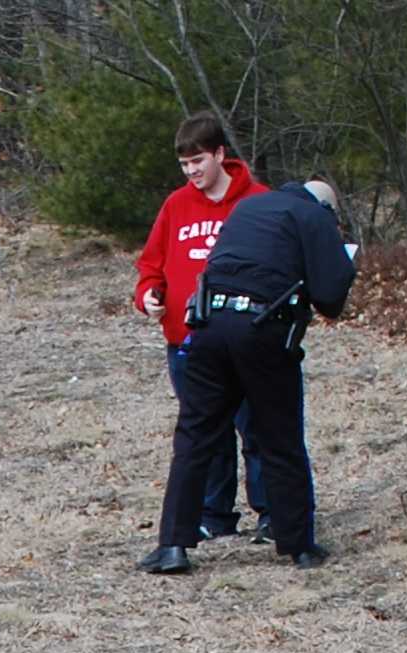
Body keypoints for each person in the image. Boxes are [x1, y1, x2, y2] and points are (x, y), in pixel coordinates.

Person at [142, 177, 355, 573]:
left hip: (206, 325)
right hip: (261, 328)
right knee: (279, 434)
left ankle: (172, 545)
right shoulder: (313, 217)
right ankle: (299, 545)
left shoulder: (250, 208)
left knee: (195, 434)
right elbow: (331, 298)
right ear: (326, 209)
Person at [131, 113, 270, 540]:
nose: (192, 172)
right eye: (185, 165)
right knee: (205, 435)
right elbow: (151, 264)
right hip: (188, 343)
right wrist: (149, 295)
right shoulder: (175, 206)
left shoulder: (258, 202)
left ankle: (271, 512)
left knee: (259, 429)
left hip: (245, 341)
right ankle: (214, 516)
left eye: (199, 162)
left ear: (220, 155)